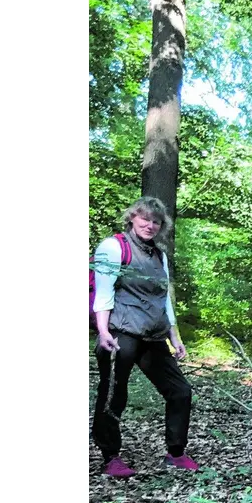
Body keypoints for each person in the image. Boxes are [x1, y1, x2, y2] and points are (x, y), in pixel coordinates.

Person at [91, 197, 196, 478]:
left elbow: (164, 299)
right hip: (120, 333)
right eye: (145, 218)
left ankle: (175, 454)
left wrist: (175, 337)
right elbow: (103, 292)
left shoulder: (158, 254)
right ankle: (110, 456)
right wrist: (103, 332)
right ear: (132, 217)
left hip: (153, 335)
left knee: (180, 391)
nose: (150, 225)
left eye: (156, 221)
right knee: (114, 393)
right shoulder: (113, 247)